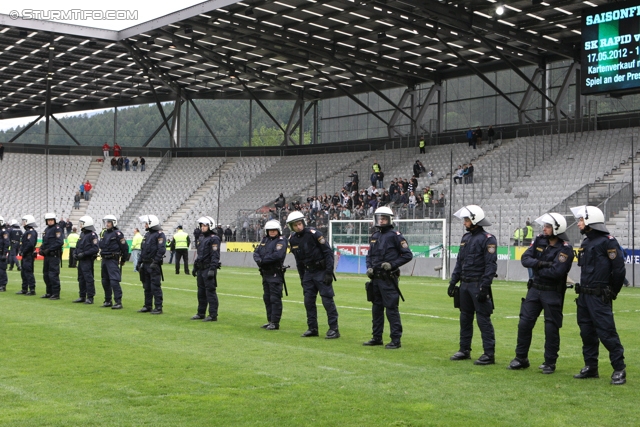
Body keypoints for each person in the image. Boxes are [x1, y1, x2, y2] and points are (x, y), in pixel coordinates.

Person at [508, 213, 574, 374]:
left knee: (551, 328)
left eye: (548, 226)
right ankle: (521, 358)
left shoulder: (565, 249)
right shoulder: (539, 240)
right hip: (534, 289)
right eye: (544, 225)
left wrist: (537, 267)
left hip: (552, 292)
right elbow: (525, 259)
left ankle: (550, 362)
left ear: (557, 228)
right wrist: (542, 263)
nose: (544, 228)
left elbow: (557, 272)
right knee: (524, 323)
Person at [570, 205, 627, 385]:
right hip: (585, 296)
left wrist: (612, 292)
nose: (578, 223)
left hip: (599, 296)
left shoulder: (608, 242)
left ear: (590, 221)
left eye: (581, 220)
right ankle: (591, 367)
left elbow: (619, 270)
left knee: (607, 332)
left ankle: (619, 369)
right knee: (586, 333)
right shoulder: (586, 242)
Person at [448, 205, 497, 365]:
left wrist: (484, 286)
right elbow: (459, 262)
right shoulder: (465, 238)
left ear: (475, 220)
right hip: (464, 284)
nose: (464, 223)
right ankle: (464, 350)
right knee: (465, 318)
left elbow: (491, 265)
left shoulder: (488, 239)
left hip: (477, 284)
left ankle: (489, 354)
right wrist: (453, 281)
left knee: (483, 319)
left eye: (467, 220)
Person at [364, 207, 413, 349]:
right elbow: (369, 256)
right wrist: (369, 267)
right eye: (379, 218)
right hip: (375, 278)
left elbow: (407, 255)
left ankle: (395, 340)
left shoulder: (396, 235)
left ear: (390, 219)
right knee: (376, 309)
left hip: (388, 279)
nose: (381, 220)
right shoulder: (374, 236)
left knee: (391, 309)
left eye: (384, 218)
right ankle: (376, 337)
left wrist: (392, 265)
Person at [286, 211, 339, 339]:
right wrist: (302, 277)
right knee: (308, 301)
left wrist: (328, 272)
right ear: (291, 227)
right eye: (295, 225)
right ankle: (312, 328)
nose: (298, 227)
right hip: (308, 273)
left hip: (321, 271)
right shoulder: (292, 240)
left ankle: (334, 329)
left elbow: (328, 253)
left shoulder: (314, 234)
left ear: (303, 222)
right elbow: (298, 261)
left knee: (327, 300)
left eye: (300, 224)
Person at [253, 220, 288, 330]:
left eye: (274, 230)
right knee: (267, 298)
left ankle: (275, 322)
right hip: (265, 274)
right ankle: (270, 320)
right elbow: (256, 252)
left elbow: (277, 255)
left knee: (275, 298)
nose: (272, 232)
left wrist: (262, 261)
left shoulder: (281, 241)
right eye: (270, 230)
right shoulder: (265, 240)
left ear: (278, 230)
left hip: (275, 274)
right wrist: (259, 260)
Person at [191, 216, 220, 322]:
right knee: (201, 292)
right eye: (201, 226)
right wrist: (195, 266)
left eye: (204, 226)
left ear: (210, 226)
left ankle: (213, 314)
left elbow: (215, 255)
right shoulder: (202, 238)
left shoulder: (214, 238)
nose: (202, 228)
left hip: (208, 268)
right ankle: (201, 312)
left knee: (210, 292)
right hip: (201, 268)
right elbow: (199, 254)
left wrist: (212, 269)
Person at [136, 215, 166, 314]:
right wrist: (139, 262)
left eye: (146, 223)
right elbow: (143, 250)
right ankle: (147, 305)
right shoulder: (147, 235)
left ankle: (158, 307)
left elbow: (161, 250)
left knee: (155, 286)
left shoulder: (159, 234)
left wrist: (155, 261)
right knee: (146, 286)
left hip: (153, 264)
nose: (145, 225)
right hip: (145, 263)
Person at [98, 215, 129, 309]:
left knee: (114, 281)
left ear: (113, 223)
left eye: (109, 222)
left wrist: (123, 259)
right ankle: (108, 300)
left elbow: (125, 247)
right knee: (105, 281)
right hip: (104, 260)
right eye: (106, 222)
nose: (107, 224)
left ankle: (118, 302)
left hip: (112, 259)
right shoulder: (104, 233)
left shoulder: (118, 234)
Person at [72, 216, 100, 305]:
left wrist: (84, 254)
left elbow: (95, 248)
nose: (80, 225)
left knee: (88, 278)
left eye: (82, 223)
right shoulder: (82, 234)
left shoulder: (92, 235)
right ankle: (82, 296)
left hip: (87, 260)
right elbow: (78, 246)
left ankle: (90, 297)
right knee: (81, 278)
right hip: (81, 260)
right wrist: (75, 254)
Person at [39, 212, 64, 300]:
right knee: (46, 274)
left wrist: (49, 249)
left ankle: (56, 293)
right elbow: (44, 242)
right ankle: (49, 292)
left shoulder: (57, 229)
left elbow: (59, 242)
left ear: (54, 220)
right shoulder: (46, 230)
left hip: (54, 255)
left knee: (53, 275)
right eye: (48, 220)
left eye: (51, 220)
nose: (50, 222)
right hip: (47, 256)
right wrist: (41, 249)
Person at [16, 215, 37, 295]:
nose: (23, 223)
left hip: (28, 255)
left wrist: (23, 251)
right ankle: (24, 288)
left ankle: (32, 289)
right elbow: (24, 243)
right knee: (23, 272)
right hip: (25, 255)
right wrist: (21, 250)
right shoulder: (27, 232)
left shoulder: (31, 232)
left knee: (28, 272)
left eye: (25, 221)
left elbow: (30, 244)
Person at [0, 217, 9, 292]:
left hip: (1, 253)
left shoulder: (4, 231)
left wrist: (4, 253)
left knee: (2, 270)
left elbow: (6, 243)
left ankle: (3, 285)